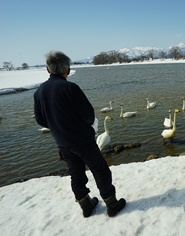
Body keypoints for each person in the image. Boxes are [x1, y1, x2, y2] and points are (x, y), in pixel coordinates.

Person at [33, 50, 126, 218]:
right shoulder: (70, 88)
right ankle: (112, 204)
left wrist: (57, 127)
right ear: (67, 70)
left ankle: (86, 206)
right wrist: (81, 128)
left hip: (62, 143)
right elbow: (88, 115)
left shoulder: (39, 92)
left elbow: (40, 120)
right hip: (82, 140)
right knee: (101, 171)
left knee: (76, 174)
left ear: (48, 69)